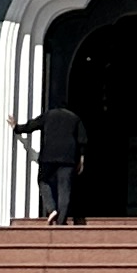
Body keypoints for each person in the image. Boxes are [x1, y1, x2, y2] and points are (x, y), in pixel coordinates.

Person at [17, 95, 86, 225]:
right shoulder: (75, 118)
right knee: (64, 189)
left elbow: (31, 126)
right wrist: (81, 159)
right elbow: (82, 140)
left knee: (43, 181)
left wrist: (16, 127)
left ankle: (51, 208)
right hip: (68, 158)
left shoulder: (48, 115)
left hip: (49, 156)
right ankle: (61, 222)